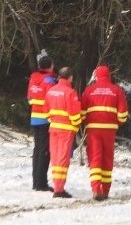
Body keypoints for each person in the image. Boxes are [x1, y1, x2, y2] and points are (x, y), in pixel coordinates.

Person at [81, 65, 128, 201]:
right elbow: (123, 113)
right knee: (107, 159)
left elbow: (82, 111)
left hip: (93, 129)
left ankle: (96, 190)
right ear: (109, 76)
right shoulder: (117, 90)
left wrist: (86, 121)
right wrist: (118, 123)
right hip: (110, 130)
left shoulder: (89, 90)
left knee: (95, 158)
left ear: (96, 76)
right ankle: (106, 190)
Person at [46, 66, 82, 198]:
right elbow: (74, 114)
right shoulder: (70, 92)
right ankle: (59, 189)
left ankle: (57, 185)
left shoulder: (51, 91)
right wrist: (77, 125)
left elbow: (46, 112)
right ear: (70, 77)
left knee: (55, 158)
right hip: (66, 130)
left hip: (53, 128)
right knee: (63, 159)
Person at [27, 52, 57, 192]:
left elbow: (29, 99)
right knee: (44, 151)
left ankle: (36, 181)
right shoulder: (50, 81)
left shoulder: (33, 79)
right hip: (46, 119)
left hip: (35, 118)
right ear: (50, 67)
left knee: (37, 149)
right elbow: (53, 99)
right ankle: (41, 183)